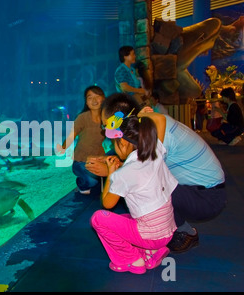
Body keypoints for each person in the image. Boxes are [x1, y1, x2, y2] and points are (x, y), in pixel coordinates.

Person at [86, 93, 226, 254]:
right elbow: (140, 160)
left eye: (106, 126)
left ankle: (183, 233)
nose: (106, 132)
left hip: (208, 198)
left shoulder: (156, 134)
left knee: (145, 187)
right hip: (202, 191)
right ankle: (166, 229)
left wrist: (112, 171)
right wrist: (109, 162)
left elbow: (144, 172)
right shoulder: (147, 127)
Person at [91, 114, 177, 274]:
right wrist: (140, 116)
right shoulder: (155, 150)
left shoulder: (125, 173)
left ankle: (131, 260)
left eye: (113, 143)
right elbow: (160, 119)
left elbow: (107, 203)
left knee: (99, 219)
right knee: (124, 219)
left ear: (122, 142)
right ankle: (151, 253)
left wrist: (111, 173)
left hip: (152, 236)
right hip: (167, 230)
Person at [56, 85, 106, 195]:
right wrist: (63, 147)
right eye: (90, 97)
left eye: (97, 96)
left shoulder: (106, 118)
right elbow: (71, 136)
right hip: (81, 160)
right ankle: (80, 182)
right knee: (92, 181)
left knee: (110, 175)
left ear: (103, 98)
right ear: (86, 102)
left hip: (99, 158)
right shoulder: (82, 118)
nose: (94, 100)